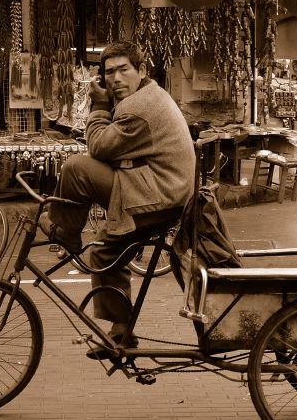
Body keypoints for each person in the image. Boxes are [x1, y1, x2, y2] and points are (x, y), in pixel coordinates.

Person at [38, 41, 196, 356]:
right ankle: (121, 332)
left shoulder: (138, 107)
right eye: (109, 73)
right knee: (105, 248)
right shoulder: (145, 96)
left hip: (159, 195)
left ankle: (65, 234)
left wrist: (98, 106)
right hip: (155, 188)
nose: (116, 79)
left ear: (141, 71)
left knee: (76, 168)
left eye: (124, 70)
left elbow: (97, 146)